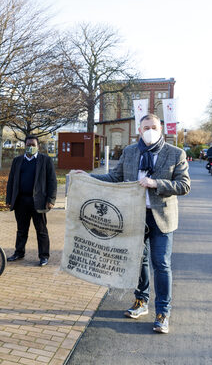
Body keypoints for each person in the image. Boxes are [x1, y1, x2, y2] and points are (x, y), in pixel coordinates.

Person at [74, 113, 190, 334]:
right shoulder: (130, 152)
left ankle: (163, 312)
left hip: (162, 218)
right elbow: (114, 177)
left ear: (161, 129)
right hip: (134, 217)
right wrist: (87, 177)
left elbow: (184, 185)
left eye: (154, 126)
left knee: (161, 264)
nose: (150, 130)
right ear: (139, 129)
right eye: (146, 127)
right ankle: (141, 301)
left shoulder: (175, 153)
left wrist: (155, 183)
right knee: (139, 261)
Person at [5, 135, 57, 267]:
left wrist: (51, 199)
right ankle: (19, 252)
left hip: (38, 201)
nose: (30, 147)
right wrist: (9, 198)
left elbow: (52, 181)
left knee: (41, 230)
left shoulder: (45, 160)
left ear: (38, 146)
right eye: (28, 145)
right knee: (21, 229)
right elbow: (11, 180)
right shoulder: (17, 161)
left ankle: (44, 256)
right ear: (24, 146)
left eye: (33, 145)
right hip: (21, 200)